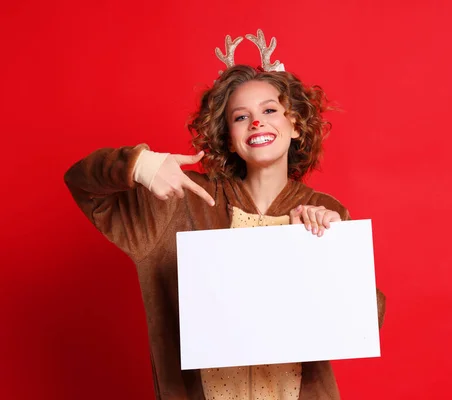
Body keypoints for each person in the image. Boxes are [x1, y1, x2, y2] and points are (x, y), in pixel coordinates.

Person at [64, 29, 386, 400]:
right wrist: (139, 165)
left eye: (269, 110)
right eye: (240, 117)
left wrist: (332, 251)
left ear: (295, 125)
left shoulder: (325, 210)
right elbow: (83, 184)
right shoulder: (181, 202)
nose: (257, 122)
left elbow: (367, 322)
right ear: (228, 136)